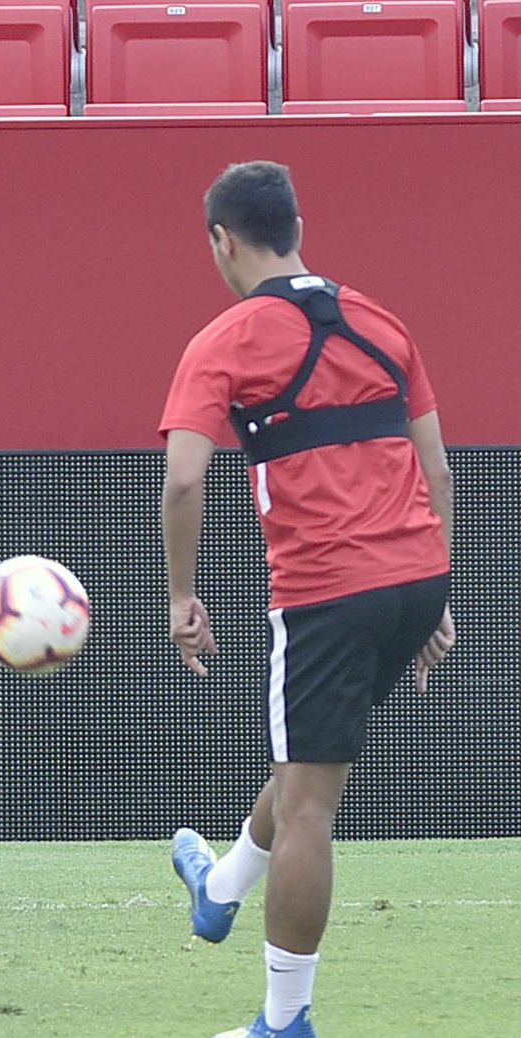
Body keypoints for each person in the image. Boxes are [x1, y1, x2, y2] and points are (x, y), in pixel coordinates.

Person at [159, 160, 457, 1038]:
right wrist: (436, 594)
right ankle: (218, 892)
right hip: (415, 579)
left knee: (311, 804)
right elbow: (436, 466)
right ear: (295, 226)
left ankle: (285, 1021)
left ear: (223, 239)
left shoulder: (226, 337)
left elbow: (184, 482)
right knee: (305, 769)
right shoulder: (381, 320)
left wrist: (181, 595)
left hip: (329, 592)